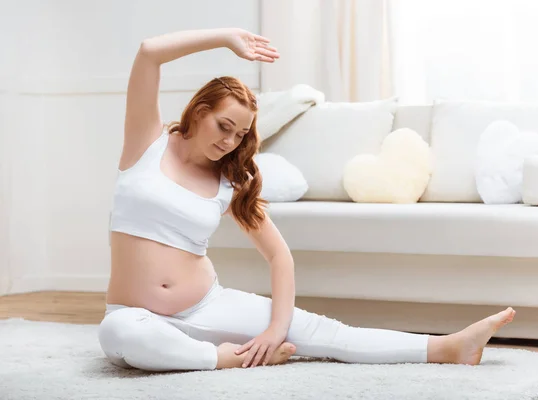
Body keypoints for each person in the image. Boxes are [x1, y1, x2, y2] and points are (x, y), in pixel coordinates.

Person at [98, 27, 516, 372]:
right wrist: (226, 38)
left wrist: (276, 329)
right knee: (119, 335)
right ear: (199, 110)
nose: (228, 142)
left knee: (326, 333)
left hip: (207, 306)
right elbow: (149, 52)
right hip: (136, 315)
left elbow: (280, 258)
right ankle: (223, 359)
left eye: (240, 135)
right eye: (223, 126)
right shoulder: (146, 144)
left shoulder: (229, 182)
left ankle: (449, 348)